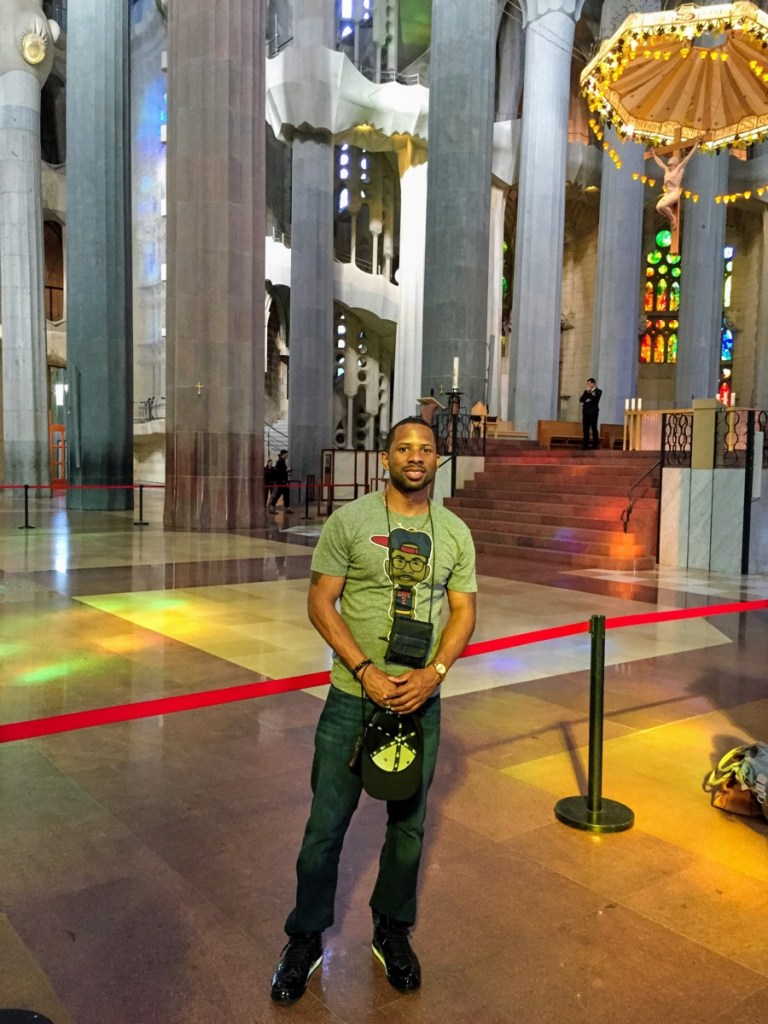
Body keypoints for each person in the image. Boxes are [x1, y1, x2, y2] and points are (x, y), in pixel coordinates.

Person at [270, 416, 477, 1006]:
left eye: (426, 449)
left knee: (409, 827)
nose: (415, 457)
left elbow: (463, 611)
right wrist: (363, 668)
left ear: (437, 460)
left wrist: (434, 674)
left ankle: (392, 929)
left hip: (419, 703)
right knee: (325, 826)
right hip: (351, 700)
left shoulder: (455, 533)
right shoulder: (351, 521)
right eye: (404, 448)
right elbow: (321, 600)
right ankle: (305, 936)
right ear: (386, 457)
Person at [650, 139, 700, 233]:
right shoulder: (666, 170)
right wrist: (654, 155)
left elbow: (688, 157)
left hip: (674, 193)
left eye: (670, 164)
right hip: (668, 193)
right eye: (668, 164)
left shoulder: (678, 169)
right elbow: (660, 163)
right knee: (658, 208)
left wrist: (696, 144)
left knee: (663, 206)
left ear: (674, 164)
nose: (669, 166)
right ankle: (670, 216)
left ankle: (673, 218)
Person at [579, 377, 602, 449]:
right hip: (586, 412)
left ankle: (595, 445)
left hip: (593, 413)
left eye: (589, 384)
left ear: (593, 384)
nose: (588, 385)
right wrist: (586, 394)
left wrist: (588, 394)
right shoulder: (586, 391)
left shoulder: (598, 391)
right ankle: (585, 445)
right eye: (587, 384)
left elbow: (595, 399)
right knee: (585, 429)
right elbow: (581, 399)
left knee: (594, 428)